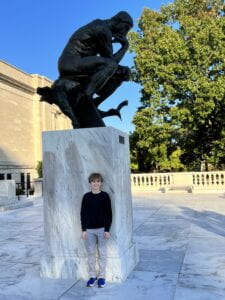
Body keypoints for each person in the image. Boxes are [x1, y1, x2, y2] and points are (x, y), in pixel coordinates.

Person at [58, 11, 133, 103]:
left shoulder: (105, 29)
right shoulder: (102, 29)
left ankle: (95, 103)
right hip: (70, 63)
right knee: (111, 65)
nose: (125, 33)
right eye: (126, 28)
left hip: (80, 63)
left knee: (125, 72)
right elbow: (111, 61)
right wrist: (125, 47)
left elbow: (109, 60)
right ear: (117, 21)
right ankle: (85, 97)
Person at [80, 173, 112, 288]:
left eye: (98, 181)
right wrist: (84, 229)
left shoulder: (105, 196)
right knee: (91, 254)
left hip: (102, 229)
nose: (96, 183)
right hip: (89, 230)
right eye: (93, 181)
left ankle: (102, 277)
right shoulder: (86, 197)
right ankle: (92, 276)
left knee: (102, 253)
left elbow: (109, 214)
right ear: (90, 183)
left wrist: (107, 229)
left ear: (101, 183)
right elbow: (83, 214)